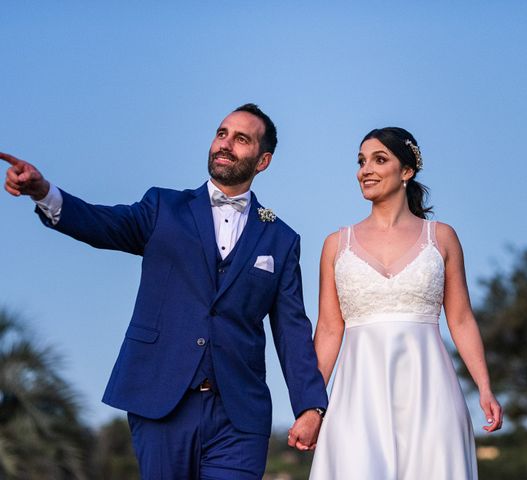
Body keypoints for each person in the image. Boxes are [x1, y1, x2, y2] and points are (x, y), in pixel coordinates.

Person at [1, 103, 328, 480]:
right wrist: (44, 192)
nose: (225, 144)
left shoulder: (281, 239)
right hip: (161, 400)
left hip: (239, 414)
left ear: (263, 160)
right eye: (221, 133)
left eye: (241, 139)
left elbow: (292, 329)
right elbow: (101, 223)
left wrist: (309, 406)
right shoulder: (164, 208)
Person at [307, 127, 502, 479]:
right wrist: (311, 405)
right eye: (361, 161)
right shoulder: (336, 245)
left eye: (379, 160)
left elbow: (460, 320)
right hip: (357, 398)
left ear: (407, 171)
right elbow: (329, 328)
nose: (365, 170)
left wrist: (485, 387)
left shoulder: (442, 238)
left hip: (432, 395)